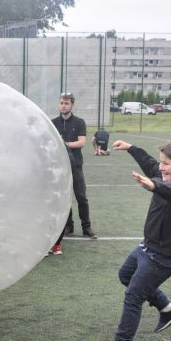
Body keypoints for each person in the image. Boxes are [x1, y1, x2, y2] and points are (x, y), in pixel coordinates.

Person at [89, 138, 171, 341]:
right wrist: (131, 148)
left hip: (165, 257)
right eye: (162, 163)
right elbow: (150, 164)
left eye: (167, 164)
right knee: (125, 275)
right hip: (148, 247)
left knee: (134, 295)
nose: (161, 168)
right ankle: (166, 308)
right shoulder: (164, 175)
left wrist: (154, 185)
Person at [51, 92, 97, 249]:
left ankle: (86, 227)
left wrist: (64, 144)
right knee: (64, 198)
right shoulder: (52, 123)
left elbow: (82, 142)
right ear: (59, 105)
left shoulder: (79, 122)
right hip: (59, 167)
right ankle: (68, 227)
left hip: (75, 165)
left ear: (72, 105)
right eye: (62, 103)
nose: (64, 106)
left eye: (67, 103)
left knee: (81, 197)